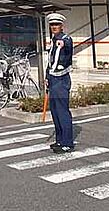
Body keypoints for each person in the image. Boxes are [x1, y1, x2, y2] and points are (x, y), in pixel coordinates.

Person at [45, 13, 74, 153]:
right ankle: (59, 140)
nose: (54, 27)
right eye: (52, 24)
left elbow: (67, 48)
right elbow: (50, 61)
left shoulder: (65, 39)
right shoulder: (53, 40)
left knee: (62, 112)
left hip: (61, 80)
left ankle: (67, 143)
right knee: (55, 112)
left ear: (62, 26)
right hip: (52, 79)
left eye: (56, 24)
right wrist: (47, 77)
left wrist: (64, 44)